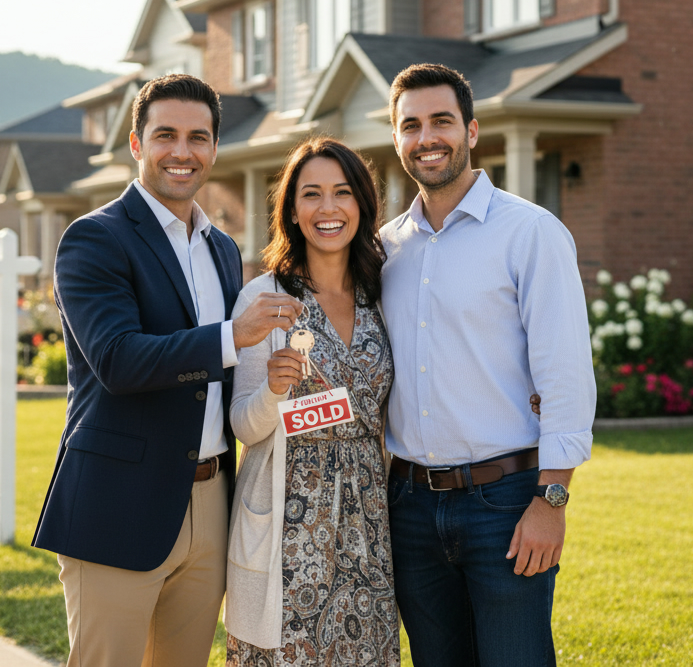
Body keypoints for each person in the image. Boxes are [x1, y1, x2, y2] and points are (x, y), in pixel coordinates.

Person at [31, 74, 304, 667]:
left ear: (213, 148)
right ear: (136, 144)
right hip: (118, 503)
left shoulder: (223, 249)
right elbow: (118, 361)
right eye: (166, 135)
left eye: (198, 137)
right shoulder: (94, 239)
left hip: (212, 500)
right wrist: (235, 336)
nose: (183, 151)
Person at [378, 64, 596, 667]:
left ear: (472, 131)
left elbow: (565, 374)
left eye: (442, 121)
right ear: (397, 138)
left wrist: (551, 502)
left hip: (505, 504)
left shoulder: (530, 233)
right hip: (411, 508)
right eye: (411, 125)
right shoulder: (385, 250)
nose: (428, 138)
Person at [224, 137, 400, 666]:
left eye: (342, 193)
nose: (328, 209)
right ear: (292, 212)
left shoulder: (383, 294)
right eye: (312, 195)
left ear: (362, 206)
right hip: (288, 526)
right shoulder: (266, 299)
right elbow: (243, 426)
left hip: (370, 526)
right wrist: (275, 392)